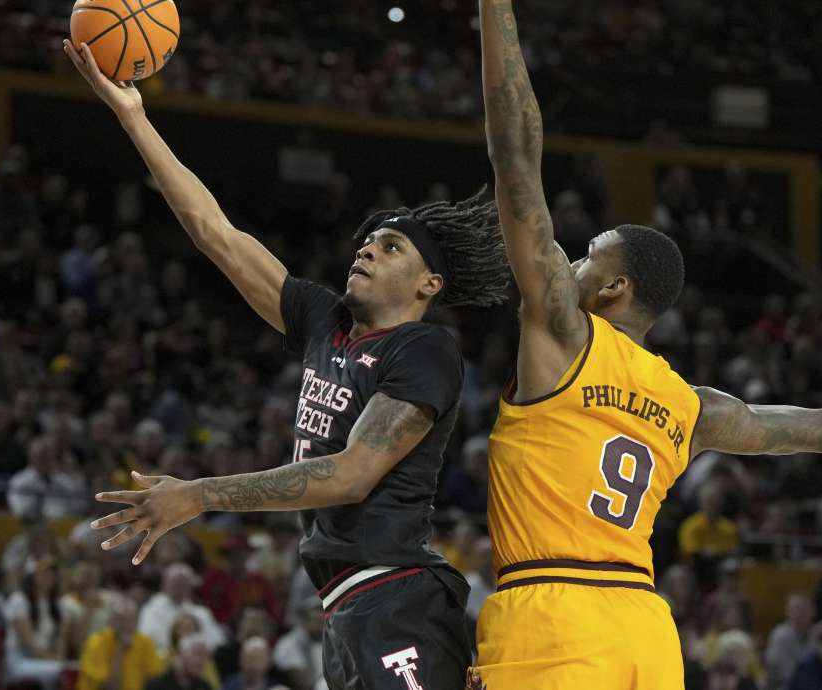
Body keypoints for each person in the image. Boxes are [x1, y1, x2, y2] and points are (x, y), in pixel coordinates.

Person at [467, 1, 822, 687]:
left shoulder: (562, 334)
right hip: (644, 628)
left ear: (613, 289)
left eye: (587, 255)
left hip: (552, 615)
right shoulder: (689, 406)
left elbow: (517, 156)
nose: (572, 265)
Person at [64, 32, 509, 690]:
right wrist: (133, 116)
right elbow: (215, 233)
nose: (366, 250)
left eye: (390, 248)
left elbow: (354, 474)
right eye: (366, 241)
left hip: (398, 599)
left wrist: (199, 495)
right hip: (349, 609)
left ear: (428, 287)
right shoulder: (323, 322)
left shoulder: (425, 350)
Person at [2, 557, 67, 690]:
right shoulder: (19, 600)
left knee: (73, 670)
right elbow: (29, 645)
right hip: (21, 660)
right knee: (62, 672)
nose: (49, 577)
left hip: (46, 659)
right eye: (43, 574)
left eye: (51, 574)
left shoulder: (55, 604)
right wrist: (56, 661)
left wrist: (60, 657)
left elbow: (61, 638)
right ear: (31, 577)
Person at [77, 598, 165, 690]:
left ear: (137, 622)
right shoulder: (96, 643)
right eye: (120, 620)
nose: (125, 625)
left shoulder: (146, 643)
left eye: (130, 620)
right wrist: (119, 648)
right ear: (111, 621)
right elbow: (110, 687)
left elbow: (155, 681)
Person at [137, 564, 224, 654]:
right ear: (164, 585)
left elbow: (216, 643)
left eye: (183, 583)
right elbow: (147, 641)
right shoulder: (151, 610)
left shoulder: (202, 613)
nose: (179, 587)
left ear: (190, 586)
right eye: (175, 583)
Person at [765, 594, 815, 690]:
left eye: (804, 609)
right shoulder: (781, 635)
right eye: (795, 609)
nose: (800, 613)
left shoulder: (816, 633)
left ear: (813, 611)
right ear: (787, 612)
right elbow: (788, 674)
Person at [144, 635, 212, 690]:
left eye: (204, 656)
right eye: (197, 654)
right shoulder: (156, 685)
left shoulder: (204, 686)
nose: (201, 661)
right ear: (181, 654)